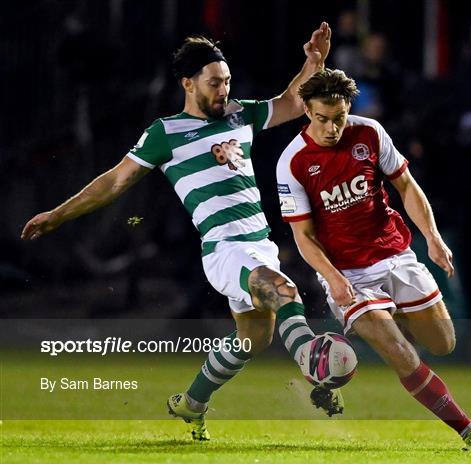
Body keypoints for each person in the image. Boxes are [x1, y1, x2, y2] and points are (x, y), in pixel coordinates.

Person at [21, 23, 340, 441]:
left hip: (259, 247)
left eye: (226, 81)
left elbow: (291, 103)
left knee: (254, 338)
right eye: (213, 83)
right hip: (224, 250)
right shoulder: (165, 133)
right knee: (286, 293)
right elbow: (114, 181)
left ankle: (192, 402)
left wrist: (313, 63)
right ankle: (316, 363)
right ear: (188, 84)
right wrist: (58, 214)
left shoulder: (240, 114)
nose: (223, 90)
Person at [275, 69, 471, 452]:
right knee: (402, 354)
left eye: (338, 118)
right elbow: (303, 237)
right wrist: (334, 280)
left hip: (395, 254)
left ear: (348, 108)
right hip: (348, 273)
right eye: (321, 119)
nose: (330, 128)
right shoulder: (292, 163)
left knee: (442, 343)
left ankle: (377, 322)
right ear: (306, 110)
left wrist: (433, 238)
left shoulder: (370, 133)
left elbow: (405, 185)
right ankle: (466, 428)